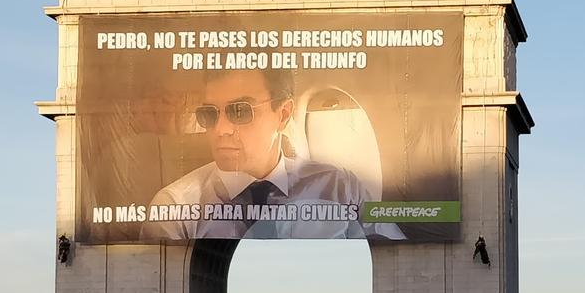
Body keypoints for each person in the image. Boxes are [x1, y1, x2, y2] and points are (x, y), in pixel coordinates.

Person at [141, 68, 395, 242]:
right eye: (209, 114)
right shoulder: (175, 209)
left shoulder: (342, 189)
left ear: (283, 115)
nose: (220, 130)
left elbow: (400, 265)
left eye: (240, 111)